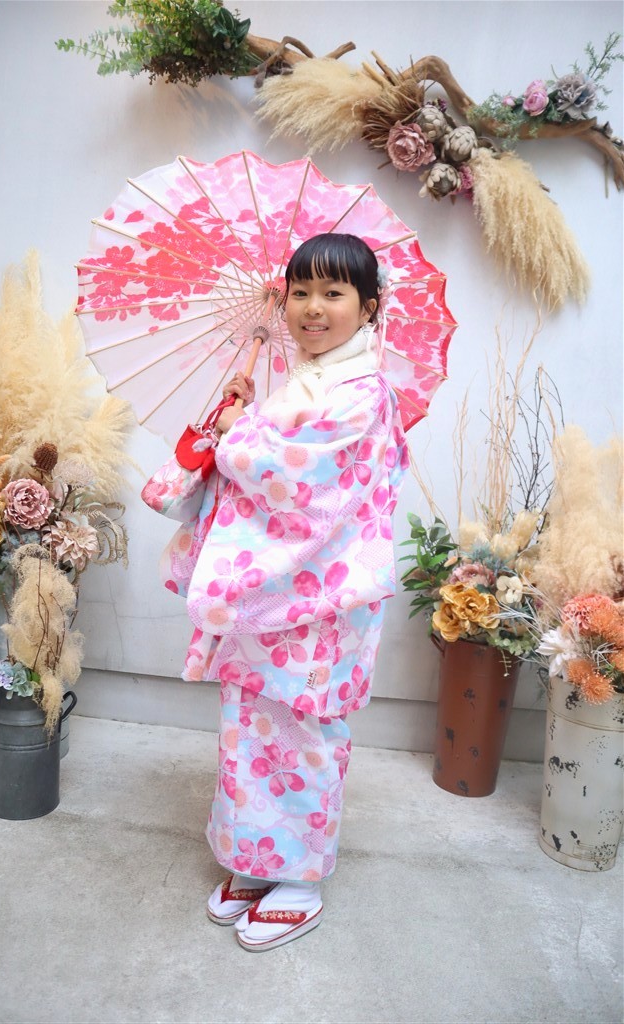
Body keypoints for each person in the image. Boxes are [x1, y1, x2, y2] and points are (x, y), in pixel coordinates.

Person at [159, 232, 409, 951]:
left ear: (369, 306)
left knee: (303, 733)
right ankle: (255, 857)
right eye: (300, 291)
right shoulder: (304, 383)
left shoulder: (362, 394)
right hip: (273, 597)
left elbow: (305, 482)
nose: (312, 307)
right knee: (249, 730)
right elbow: (264, 457)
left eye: (333, 292)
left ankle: (299, 879)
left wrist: (242, 436)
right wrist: (244, 412)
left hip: (322, 604)